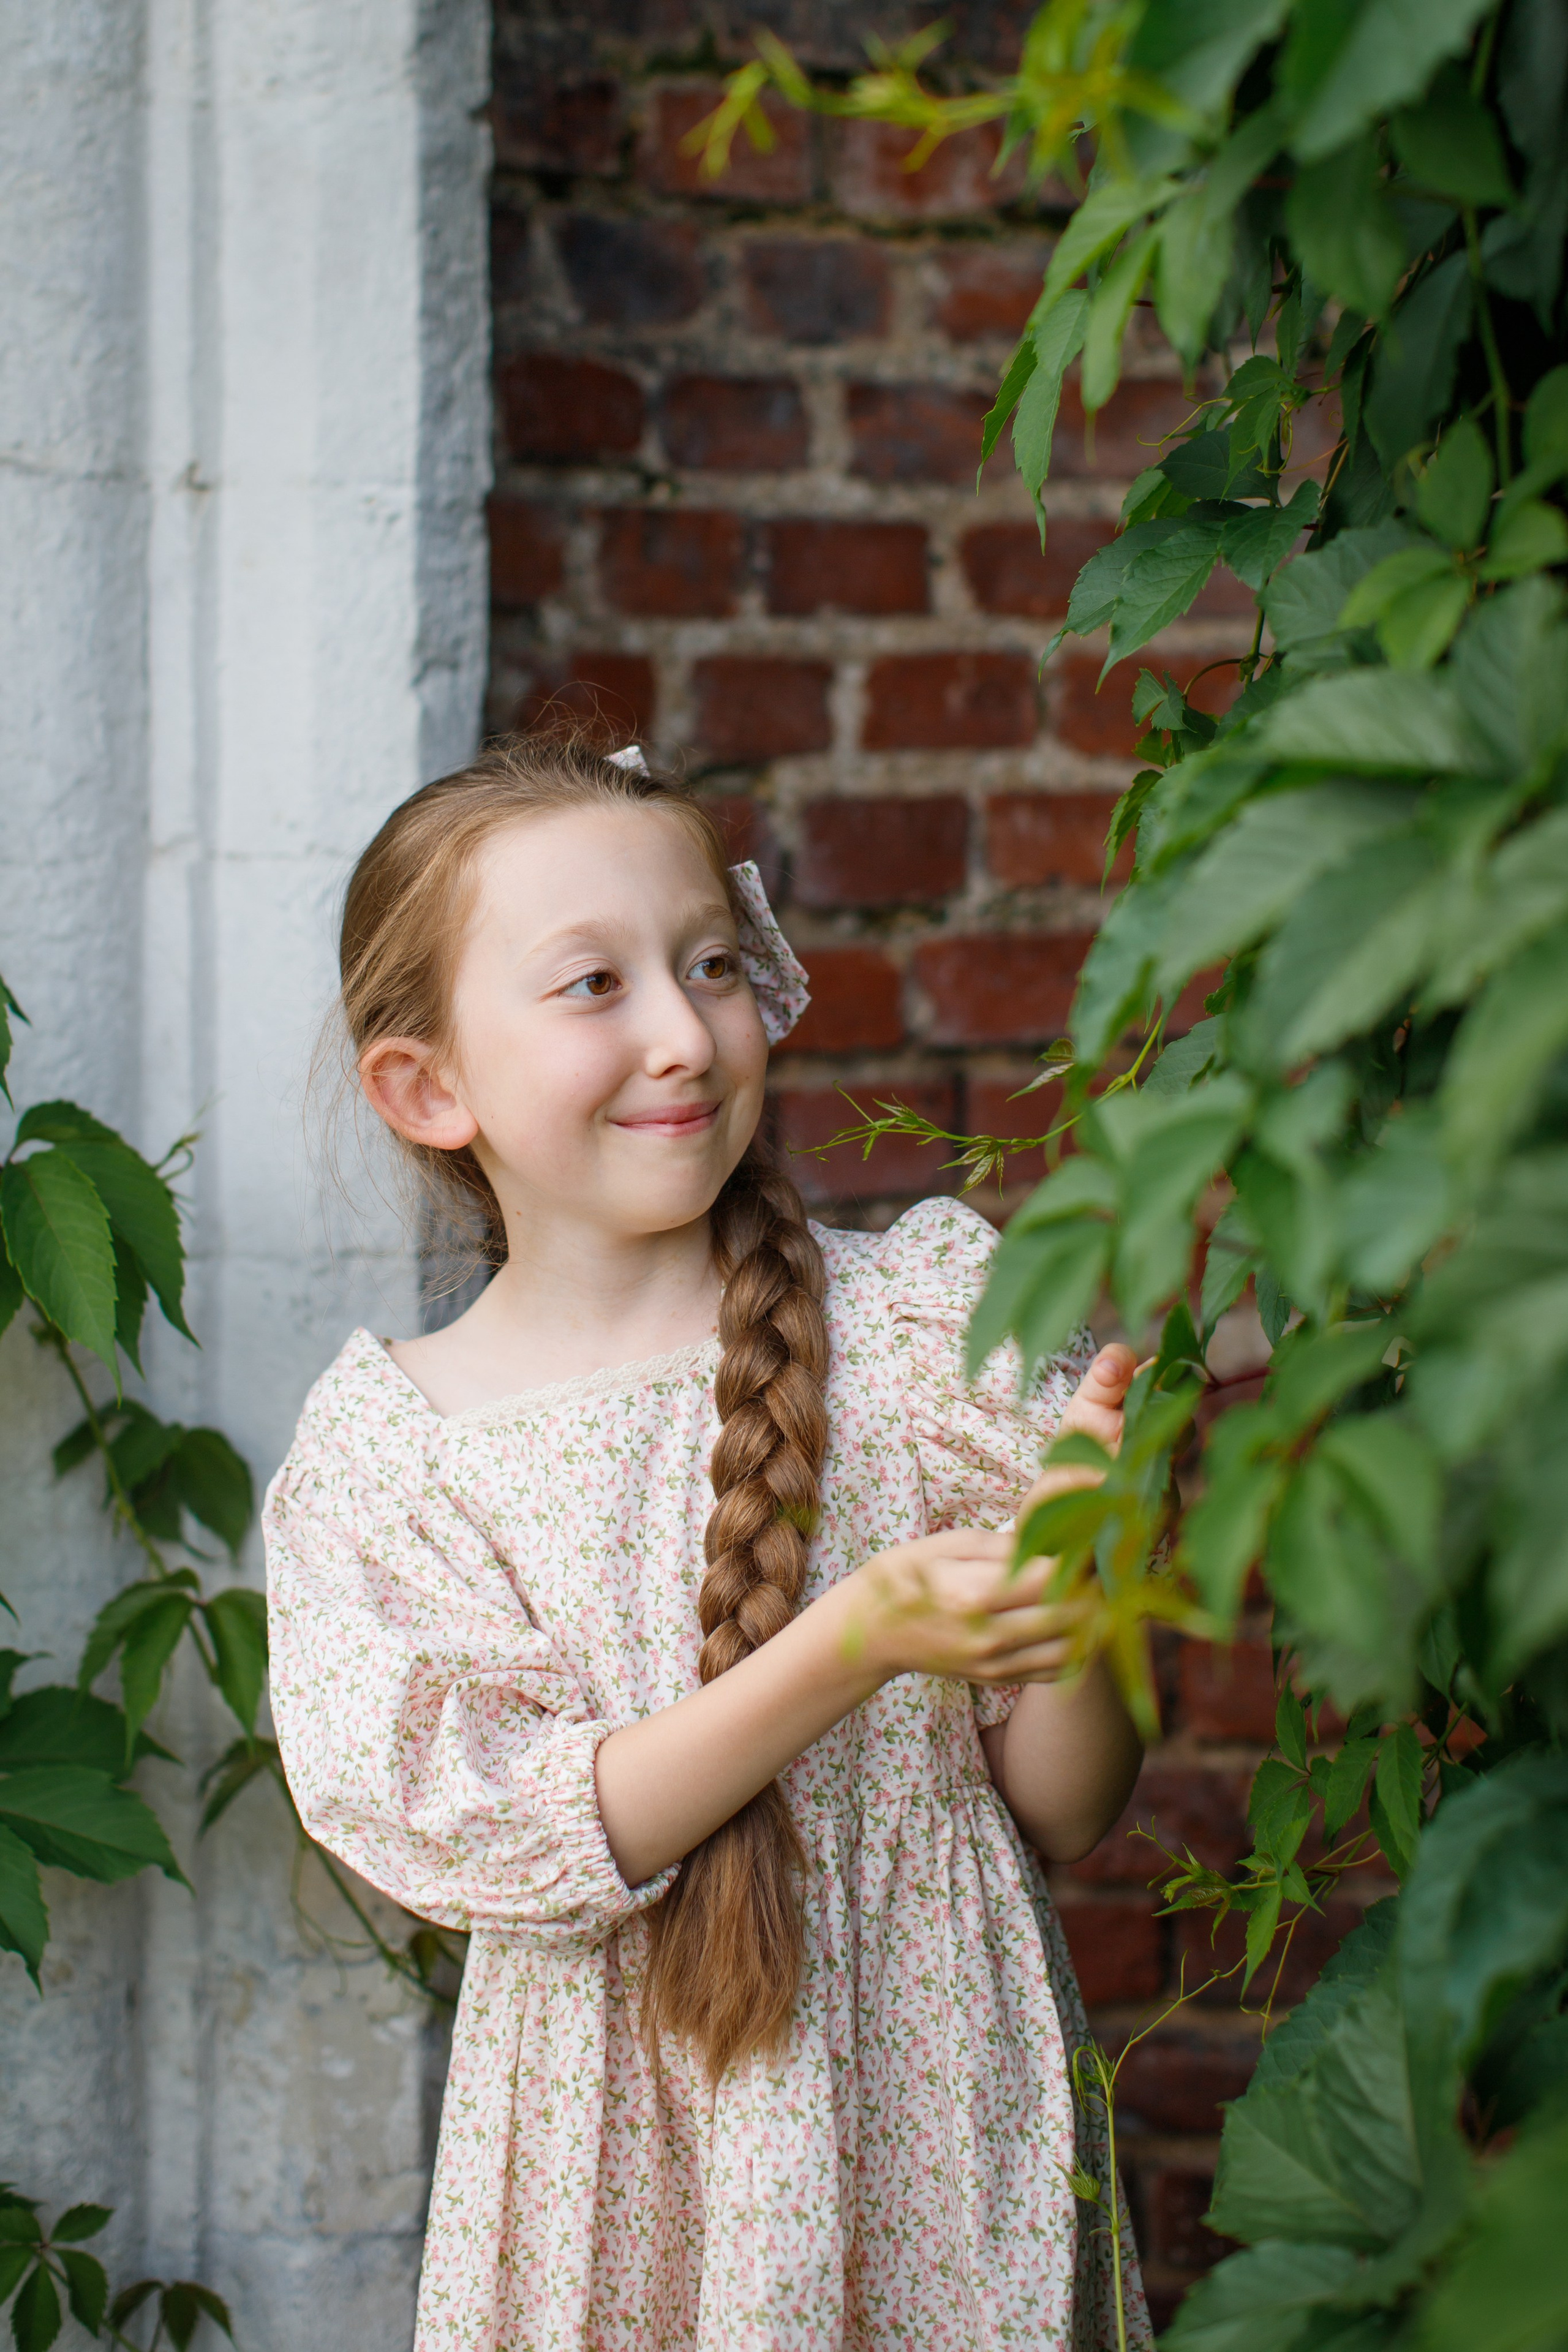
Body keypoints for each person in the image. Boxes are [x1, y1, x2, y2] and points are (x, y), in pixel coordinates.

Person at [264, 733, 1153, 2352]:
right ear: (428, 1085)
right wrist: (853, 1639)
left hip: (935, 2122)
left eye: (712, 965)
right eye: (594, 986)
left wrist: (1082, 1575)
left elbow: (1073, 1807)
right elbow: (509, 1831)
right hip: (618, 2173)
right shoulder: (407, 1456)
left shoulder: (922, 1329)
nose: (684, 1032)